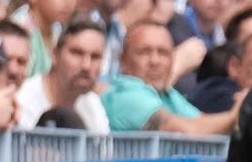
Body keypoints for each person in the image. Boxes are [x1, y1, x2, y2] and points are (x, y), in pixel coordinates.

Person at [101, 18, 238, 132]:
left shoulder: (166, 93)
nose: (155, 61)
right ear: (123, 60)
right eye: (144, 52)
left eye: (163, 53)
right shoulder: (124, 94)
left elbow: (201, 122)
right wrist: (235, 114)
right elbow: (182, 130)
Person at [13, 18, 108, 129]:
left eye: (95, 57)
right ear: (55, 54)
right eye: (77, 53)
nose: (86, 66)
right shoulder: (23, 102)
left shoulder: (92, 104)